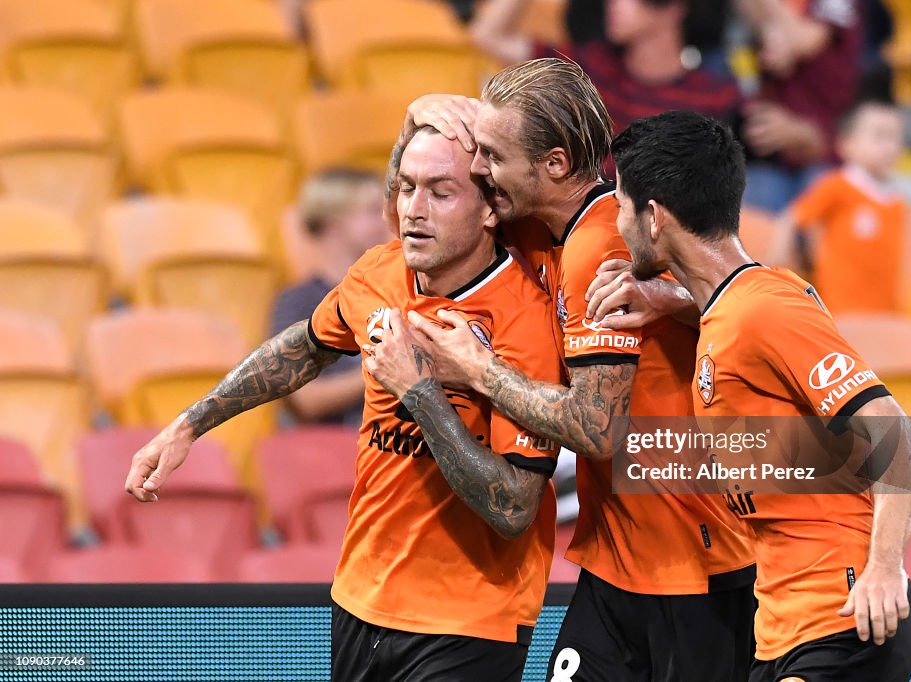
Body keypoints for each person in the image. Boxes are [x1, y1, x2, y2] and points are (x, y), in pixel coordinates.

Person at [124, 126, 564, 682]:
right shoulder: (378, 272)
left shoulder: (526, 322)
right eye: (406, 189)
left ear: (489, 210)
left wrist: (418, 391)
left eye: (440, 192)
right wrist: (189, 424)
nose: (414, 210)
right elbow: (303, 346)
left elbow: (512, 510)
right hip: (361, 597)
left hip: (470, 619)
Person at [395, 58, 755, 682]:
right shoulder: (544, 227)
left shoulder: (601, 244)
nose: (480, 171)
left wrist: (479, 371)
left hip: (692, 570)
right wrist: (419, 112)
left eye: (493, 157)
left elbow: (595, 429)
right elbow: (416, 208)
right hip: (619, 562)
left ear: (554, 165)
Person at [608, 109, 911, 680]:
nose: (618, 223)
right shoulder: (737, 307)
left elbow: (895, 431)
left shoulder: (764, 310)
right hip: (781, 629)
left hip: (844, 617)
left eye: (622, 206)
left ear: (654, 217)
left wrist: (885, 567)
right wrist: (675, 303)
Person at [469, 0, 741, 136]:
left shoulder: (714, 96)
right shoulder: (592, 65)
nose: (612, 5)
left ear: (672, 8)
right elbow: (487, 35)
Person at [272, 168, 390, 425]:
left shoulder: (388, 295)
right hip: (330, 450)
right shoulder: (299, 302)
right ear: (334, 222)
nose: (385, 220)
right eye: (371, 211)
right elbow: (304, 400)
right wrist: (388, 369)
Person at [770, 100, 908, 316]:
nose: (890, 146)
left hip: (884, 312)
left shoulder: (897, 200)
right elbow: (791, 218)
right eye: (879, 136)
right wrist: (779, 260)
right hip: (840, 311)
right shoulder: (837, 185)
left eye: (895, 137)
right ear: (847, 144)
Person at [738, 0, 863, 212]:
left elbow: (806, 39)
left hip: (827, 151)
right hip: (772, 153)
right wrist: (771, 32)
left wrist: (776, 30)